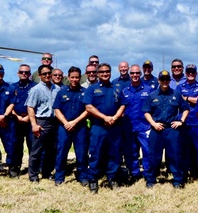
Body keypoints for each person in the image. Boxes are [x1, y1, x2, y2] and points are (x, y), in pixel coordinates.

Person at [83, 64, 126, 192]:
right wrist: (105, 118)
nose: (105, 74)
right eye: (102, 72)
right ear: (97, 73)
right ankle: (93, 179)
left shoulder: (117, 88)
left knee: (115, 153)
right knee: (96, 153)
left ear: (111, 73)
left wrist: (114, 118)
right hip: (98, 127)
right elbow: (88, 107)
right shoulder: (92, 89)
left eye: (107, 71)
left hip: (114, 126)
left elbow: (123, 105)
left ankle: (112, 178)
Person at [143, 70, 188, 188]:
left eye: (167, 79)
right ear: (158, 81)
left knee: (174, 155)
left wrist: (181, 121)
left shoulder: (176, 94)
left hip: (171, 130)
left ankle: (178, 180)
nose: (165, 82)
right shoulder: (152, 95)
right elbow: (146, 112)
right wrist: (153, 124)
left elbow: (186, 108)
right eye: (162, 79)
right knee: (153, 156)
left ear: (169, 80)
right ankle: (151, 179)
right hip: (156, 129)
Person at [53, 67, 89, 185]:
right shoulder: (62, 92)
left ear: (80, 78)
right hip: (64, 127)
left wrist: (75, 122)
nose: (74, 79)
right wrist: (66, 123)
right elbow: (57, 110)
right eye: (72, 77)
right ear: (68, 78)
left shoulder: (85, 92)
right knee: (61, 152)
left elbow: (88, 110)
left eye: (77, 77)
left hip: (80, 127)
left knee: (82, 153)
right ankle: (59, 177)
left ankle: (82, 176)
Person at [25, 64, 60, 183]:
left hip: (54, 122)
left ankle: (47, 172)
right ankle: (33, 175)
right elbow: (30, 107)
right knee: (37, 150)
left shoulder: (57, 88)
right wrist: (34, 124)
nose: (47, 76)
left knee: (52, 150)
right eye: (44, 74)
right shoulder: (36, 89)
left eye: (49, 73)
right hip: (41, 121)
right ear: (39, 75)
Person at [122, 64, 153, 183]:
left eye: (137, 73)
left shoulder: (148, 90)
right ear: (129, 75)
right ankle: (134, 173)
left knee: (147, 151)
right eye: (132, 73)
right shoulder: (125, 91)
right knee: (130, 151)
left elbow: (153, 107)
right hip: (128, 126)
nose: (135, 75)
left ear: (140, 74)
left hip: (144, 126)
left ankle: (147, 173)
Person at [177, 64, 198, 180]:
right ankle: (185, 173)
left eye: (193, 72)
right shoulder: (179, 87)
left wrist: (186, 98)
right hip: (184, 123)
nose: (191, 74)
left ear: (196, 73)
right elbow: (178, 101)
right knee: (184, 149)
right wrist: (192, 99)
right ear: (185, 73)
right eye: (188, 72)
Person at [8, 64, 35, 178]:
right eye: (22, 72)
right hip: (16, 119)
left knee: (32, 145)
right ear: (18, 73)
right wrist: (16, 116)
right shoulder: (12, 87)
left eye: (27, 72)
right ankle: (15, 167)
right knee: (15, 145)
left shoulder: (35, 87)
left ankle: (33, 168)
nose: (24, 74)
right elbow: (8, 103)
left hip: (30, 120)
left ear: (30, 74)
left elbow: (38, 104)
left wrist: (29, 117)